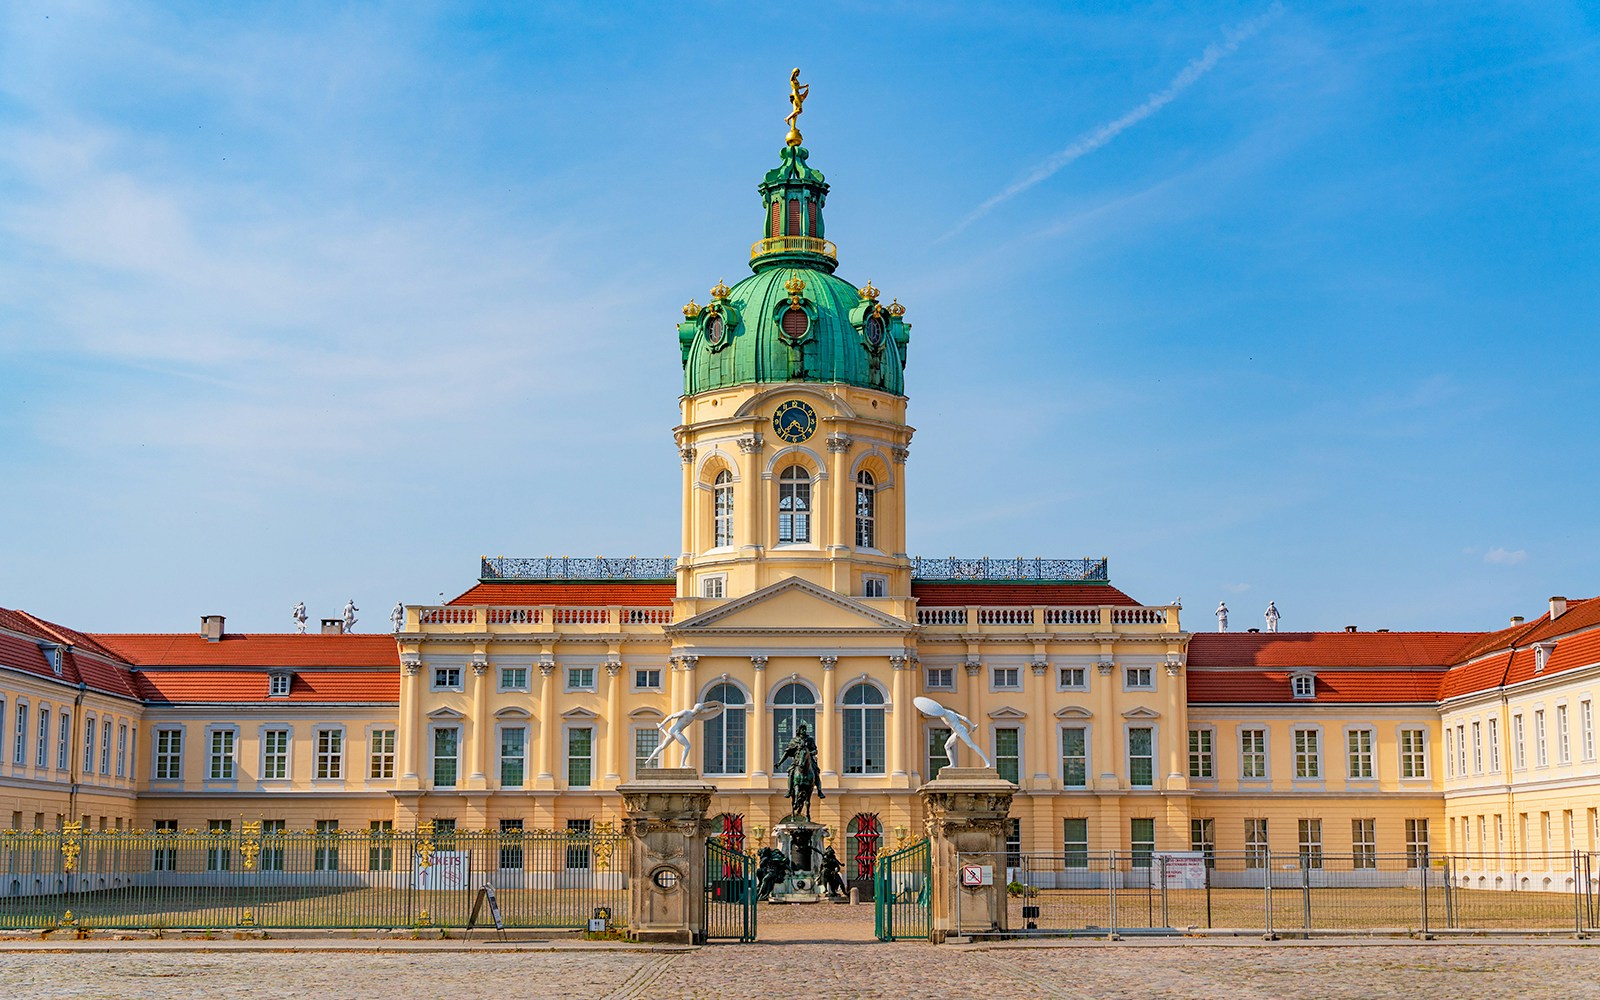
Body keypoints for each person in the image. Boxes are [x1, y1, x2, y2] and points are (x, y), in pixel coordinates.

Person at [912, 697, 992, 769]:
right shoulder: (945, 714)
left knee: (971, 745)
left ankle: (987, 761)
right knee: (947, 746)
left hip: (960, 730)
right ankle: (952, 765)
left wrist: (972, 726)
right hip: (957, 732)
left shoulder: (948, 715)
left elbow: (963, 718)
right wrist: (972, 725)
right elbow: (963, 718)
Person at [642, 701, 725, 769]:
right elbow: (672, 716)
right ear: (698, 710)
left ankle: (649, 760)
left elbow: (706, 711)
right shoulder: (686, 712)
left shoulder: (695, 715)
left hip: (674, 731)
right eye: (700, 710)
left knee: (662, 746)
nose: (701, 712)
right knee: (687, 746)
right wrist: (662, 724)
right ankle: (682, 765)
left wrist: (715, 708)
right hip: (675, 731)